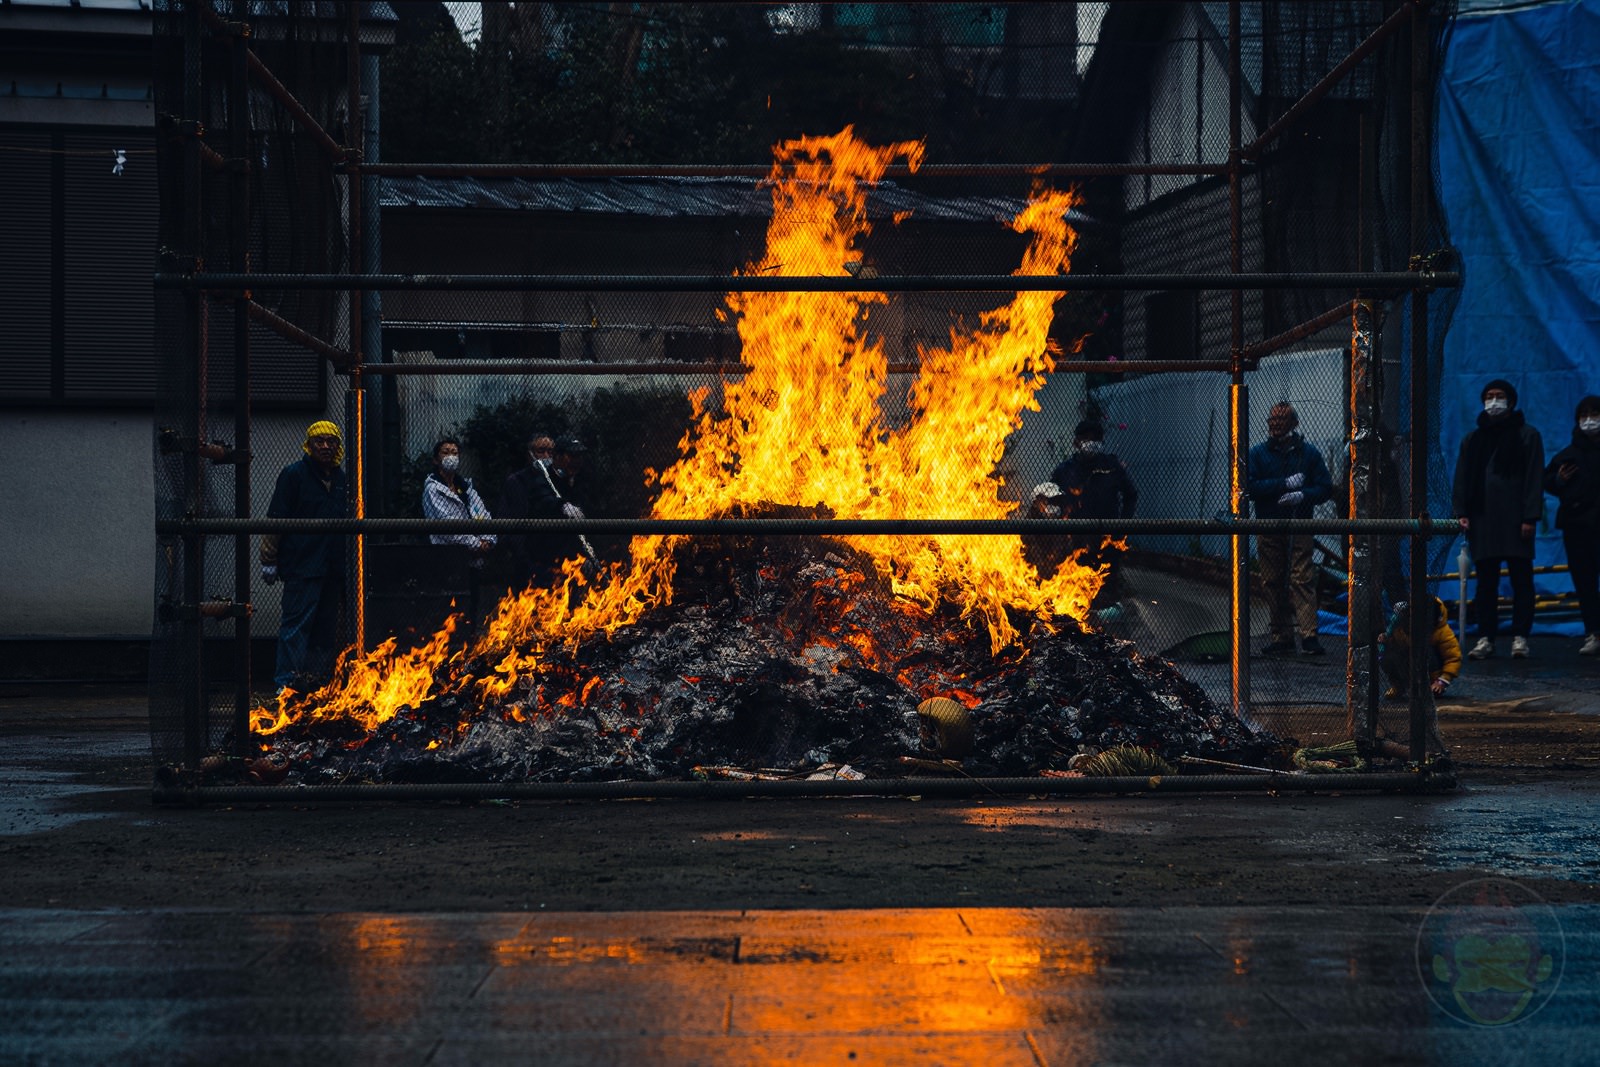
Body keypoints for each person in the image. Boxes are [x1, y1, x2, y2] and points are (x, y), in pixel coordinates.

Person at [1452, 379, 1544, 660]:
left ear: (1511, 401)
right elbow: (1462, 479)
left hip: (1517, 522)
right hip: (1483, 521)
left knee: (1522, 581)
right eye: (1489, 396)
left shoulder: (1527, 436)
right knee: (1485, 583)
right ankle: (1486, 638)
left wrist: (1530, 516)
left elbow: (1533, 478)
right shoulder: (1473, 439)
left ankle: (1520, 637)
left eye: (1499, 396)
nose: (1494, 401)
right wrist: (1462, 512)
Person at [260, 420, 348, 692]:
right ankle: (286, 684)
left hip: (333, 568)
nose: (325, 446)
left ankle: (316, 684)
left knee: (325, 630)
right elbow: (276, 517)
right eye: (319, 441)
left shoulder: (343, 479)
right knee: (296, 627)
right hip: (302, 565)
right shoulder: (294, 475)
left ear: (338, 446)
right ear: (308, 445)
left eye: (331, 441)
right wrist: (268, 558)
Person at [1247, 401, 1334, 655]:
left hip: (1299, 523)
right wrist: (1284, 484)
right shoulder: (1258, 454)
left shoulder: (1307, 454)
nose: (1275, 424)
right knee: (1272, 580)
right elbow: (1249, 487)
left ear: (1294, 423)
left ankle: (1309, 635)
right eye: (1272, 420)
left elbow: (1325, 488)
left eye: (1281, 420)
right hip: (1269, 524)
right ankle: (1281, 635)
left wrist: (1302, 496)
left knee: (1301, 578)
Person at [1048, 420, 1138, 609]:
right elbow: (1051, 499)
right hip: (1076, 542)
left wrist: (1122, 528)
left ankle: (1108, 630)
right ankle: (1079, 623)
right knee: (1077, 588)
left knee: (1107, 587)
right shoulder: (1065, 471)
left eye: (1095, 439)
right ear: (1076, 442)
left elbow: (1131, 494)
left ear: (1101, 442)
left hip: (1108, 539)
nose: (1091, 442)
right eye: (1085, 438)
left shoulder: (1112, 467)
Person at [1543, 395, 1600, 655]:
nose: (1589, 420)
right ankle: (1593, 633)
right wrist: (1560, 480)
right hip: (1577, 528)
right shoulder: (1568, 455)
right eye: (1584, 415)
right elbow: (1547, 482)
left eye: (1594, 414)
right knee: (1585, 582)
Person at [502, 434, 595, 586]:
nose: (546, 456)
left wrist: (586, 556)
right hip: (538, 562)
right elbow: (542, 500)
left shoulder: (580, 480)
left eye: (549, 452)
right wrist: (524, 561)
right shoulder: (528, 480)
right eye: (541, 451)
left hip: (570, 563)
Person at [422, 437, 496, 621]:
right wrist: (476, 544)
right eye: (445, 452)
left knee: (472, 607)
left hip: (472, 561)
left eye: (454, 453)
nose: (451, 456)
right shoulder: (433, 490)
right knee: (452, 613)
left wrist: (488, 540)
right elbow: (448, 527)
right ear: (435, 460)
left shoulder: (466, 488)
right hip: (449, 559)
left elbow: (483, 515)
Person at [1379, 597, 1462, 700]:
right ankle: (1399, 686)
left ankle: (1428, 686)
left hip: (1431, 673)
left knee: (1427, 650)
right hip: (1410, 664)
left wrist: (1442, 681)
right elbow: (1396, 645)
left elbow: (1453, 658)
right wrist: (1387, 640)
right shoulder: (1402, 623)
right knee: (1387, 657)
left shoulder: (1442, 631)